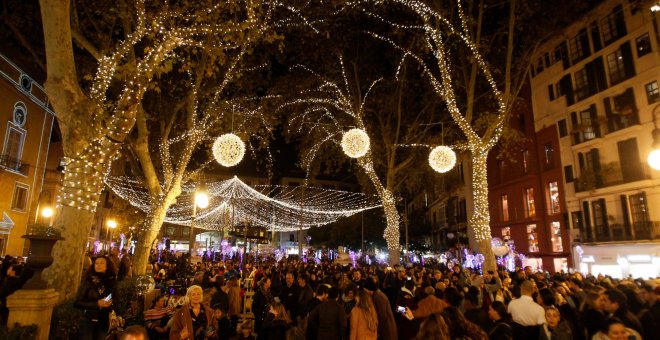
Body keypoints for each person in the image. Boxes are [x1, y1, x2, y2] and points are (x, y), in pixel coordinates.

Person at [74, 256, 117, 340]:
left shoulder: (111, 280)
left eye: (101, 263)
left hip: (104, 321)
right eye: (96, 263)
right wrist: (97, 304)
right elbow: (77, 302)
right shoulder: (88, 281)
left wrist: (111, 302)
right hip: (88, 320)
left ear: (107, 266)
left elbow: (115, 297)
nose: (98, 265)